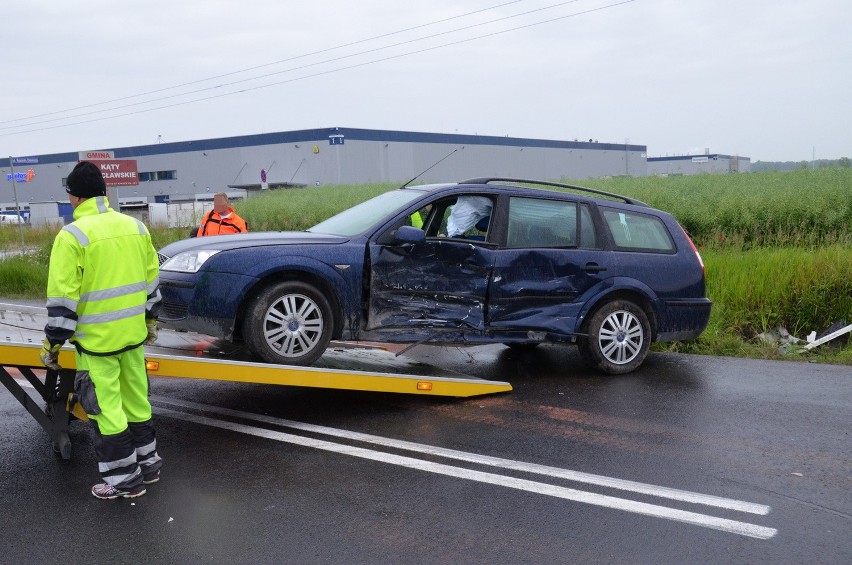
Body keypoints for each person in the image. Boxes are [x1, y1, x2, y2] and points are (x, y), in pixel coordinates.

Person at [40, 161, 163, 500]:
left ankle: (124, 481)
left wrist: (52, 345)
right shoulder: (135, 227)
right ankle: (148, 468)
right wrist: (150, 322)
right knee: (137, 403)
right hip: (133, 338)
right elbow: (152, 284)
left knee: (106, 410)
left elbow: (63, 302)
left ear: (74, 197)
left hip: (97, 345)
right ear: (104, 194)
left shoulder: (72, 236)